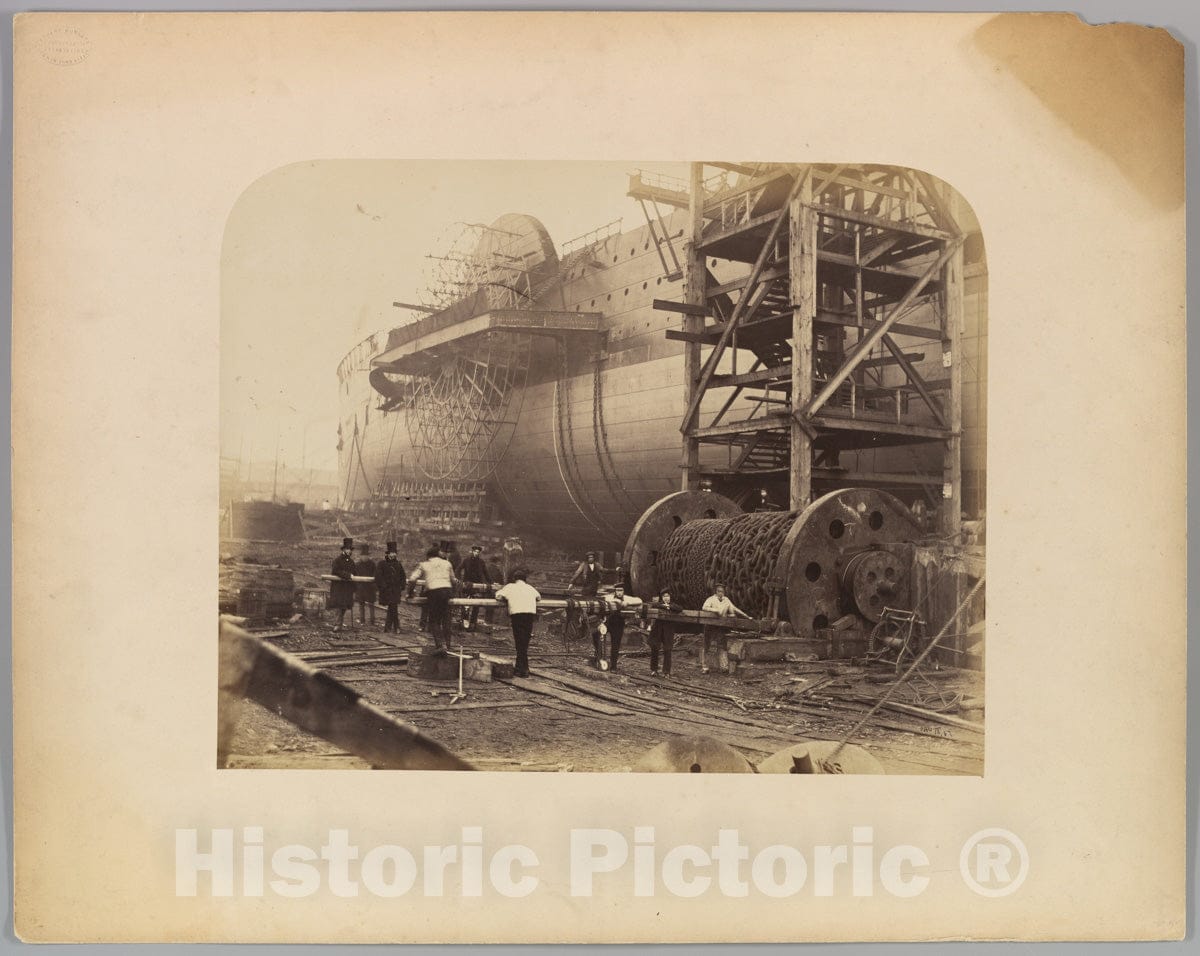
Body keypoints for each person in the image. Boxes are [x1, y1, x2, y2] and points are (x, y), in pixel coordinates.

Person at [408, 545, 459, 653]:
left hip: (434, 592)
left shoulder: (424, 564)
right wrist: (453, 594)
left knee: (434, 620)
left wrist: (410, 592)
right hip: (447, 591)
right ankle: (448, 645)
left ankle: (440, 646)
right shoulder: (447, 563)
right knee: (446, 619)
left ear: (428, 556)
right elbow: (454, 581)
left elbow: (412, 579)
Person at [495, 568, 540, 678]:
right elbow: (538, 597)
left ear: (515, 579)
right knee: (524, 641)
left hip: (518, 615)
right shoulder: (530, 588)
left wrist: (508, 598)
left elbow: (498, 596)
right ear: (525, 579)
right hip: (529, 615)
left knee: (519, 642)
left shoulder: (510, 586)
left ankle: (523, 669)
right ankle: (521, 668)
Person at [699, 583, 751, 674]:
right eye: (719, 591)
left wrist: (746, 616)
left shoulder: (726, 600)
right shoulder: (711, 599)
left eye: (722, 591)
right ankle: (704, 666)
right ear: (715, 592)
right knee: (706, 645)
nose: (721, 593)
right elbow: (704, 607)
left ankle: (724, 667)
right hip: (710, 625)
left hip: (721, 626)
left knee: (722, 646)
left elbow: (734, 608)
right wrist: (715, 610)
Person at [595, 585, 639, 671]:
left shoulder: (627, 598)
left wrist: (628, 603)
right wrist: (616, 600)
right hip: (608, 622)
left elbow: (639, 600)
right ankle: (598, 659)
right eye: (617, 590)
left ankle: (613, 666)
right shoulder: (610, 597)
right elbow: (601, 599)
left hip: (619, 625)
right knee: (596, 634)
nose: (619, 592)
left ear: (623, 591)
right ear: (615, 591)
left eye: (621, 591)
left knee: (615, 645)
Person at [458, 544, 492, 631]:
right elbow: (458, 569)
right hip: (467, 585)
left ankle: (473, 623)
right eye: (475, 551)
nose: (476, 553)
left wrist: (490, 582)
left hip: (477, 586)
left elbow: (486, 573)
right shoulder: (466, 560)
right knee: (466, 604)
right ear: (472, 551)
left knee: (476, 605)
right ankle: (464, 621)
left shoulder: (481, 562)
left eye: (478, 552)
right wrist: (458, 579)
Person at [374, 542, 406, 633]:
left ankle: (389, 628)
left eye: (395, 553)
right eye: (392, 553)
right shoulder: (382, 564)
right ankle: (396, 627)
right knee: (393, 607)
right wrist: (383, 586)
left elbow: (403, 576)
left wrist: (402, 586)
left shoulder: (398, 564)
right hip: (386, 590)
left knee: (393, 607)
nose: (393, 554)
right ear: (388, 554)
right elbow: (378, 576)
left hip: (395, 590)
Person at [327, 537, 356, 633]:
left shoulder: (352, 562)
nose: (348, 551)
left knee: (344, 607)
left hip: (347, 588)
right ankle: (337, 624)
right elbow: (336, 571)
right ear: (343, 550)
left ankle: (339, 624)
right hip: (339, 587)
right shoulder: (337, 560)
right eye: (347, 549)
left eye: (350, 549)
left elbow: (354, 574)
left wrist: (354, 587)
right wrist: (348, 575)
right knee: (339, 606)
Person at [647, 588, 678, 678]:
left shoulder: (673, 605)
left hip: (668, 630)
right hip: (658, 630)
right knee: (654, 648)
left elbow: (679, 608)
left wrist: (669, 606)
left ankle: (666, 671)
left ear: (670, 597)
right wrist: (665, 606)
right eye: (664, 596)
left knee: (668, 650)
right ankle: (654, 670)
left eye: (667, 596)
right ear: (662, 597)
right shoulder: (659, 605)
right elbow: (653, 605)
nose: (666, 598)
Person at [354, 543, 377, 626]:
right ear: (360, 556)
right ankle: (362, 620)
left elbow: (376, 575)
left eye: (366, 556)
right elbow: (355, 576)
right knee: (361, 605)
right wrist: (356, 586)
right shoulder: (357, 565)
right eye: (363, 556)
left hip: (370, 588)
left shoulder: (372, 564)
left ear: (368, 556)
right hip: (361, 588)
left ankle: (372, 621)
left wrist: (374, 586)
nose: (364, 557)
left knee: (371, 605)